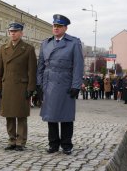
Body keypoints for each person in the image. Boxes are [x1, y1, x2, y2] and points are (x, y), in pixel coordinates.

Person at [36, 14, 83, 155]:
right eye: (54, 26)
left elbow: (78, 66)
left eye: (59, 26)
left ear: (65, 28)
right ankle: (53, 144)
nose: (55, 28)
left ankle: (67, 144)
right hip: (49, 83)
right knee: (51, 116)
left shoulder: (74, 43)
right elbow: (40, 66)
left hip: (65, 83)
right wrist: (39, 84)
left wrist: (76, 85)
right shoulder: (45, 43)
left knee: (66, 116)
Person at [0, 22, 37, 151]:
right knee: (9, 115)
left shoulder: (28, 49)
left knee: (21, 115)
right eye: (11, 31)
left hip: (21, 86)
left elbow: (32, 71)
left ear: (21, 33)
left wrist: (31, 88)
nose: (13, 33)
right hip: (7, 85)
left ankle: (20, 142)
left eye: (15, 31)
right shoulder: (3, 48)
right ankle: (11, 140)